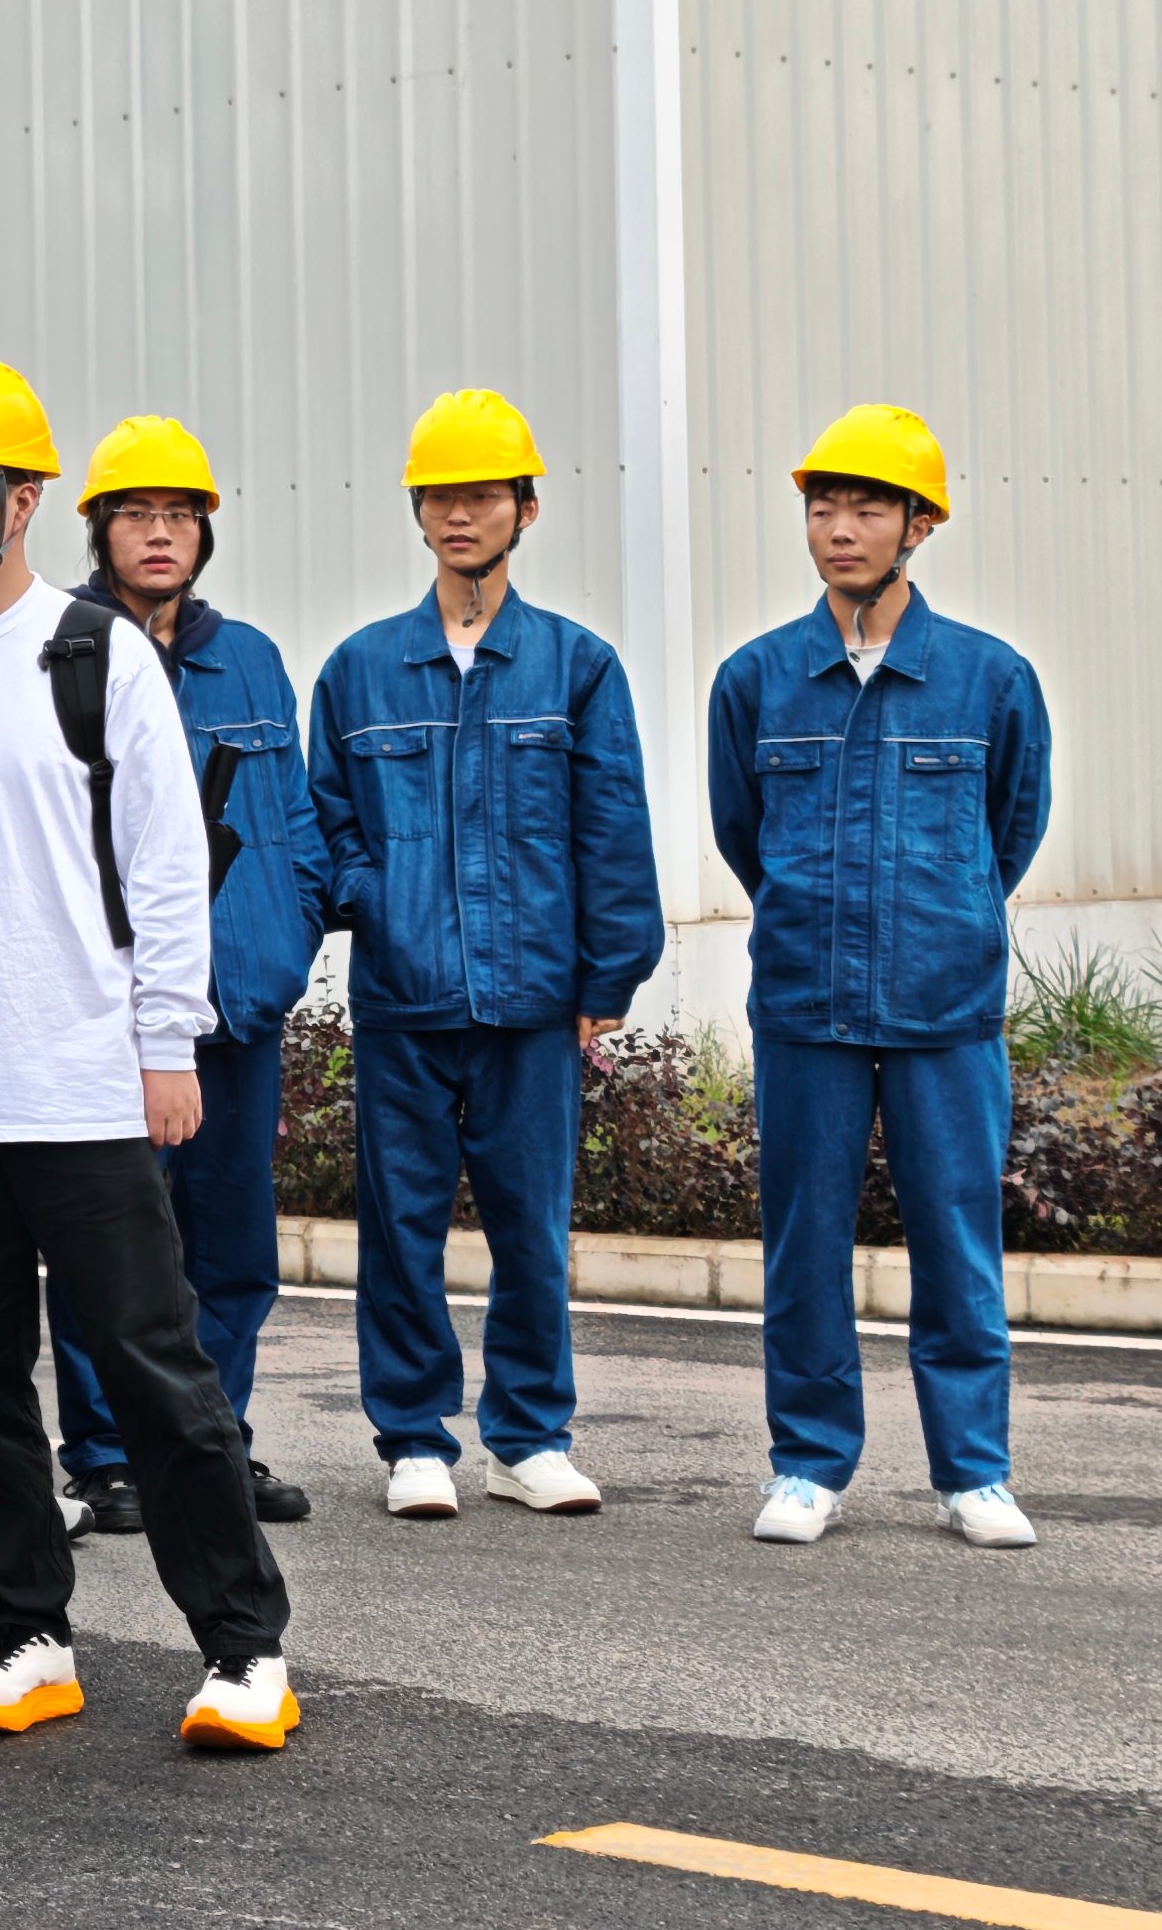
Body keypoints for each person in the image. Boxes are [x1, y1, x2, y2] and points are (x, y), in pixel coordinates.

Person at [0, 355, 295, 1753]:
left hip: (77, 1081)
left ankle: (243, 1650)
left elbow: (166, 863)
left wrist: (166, 1040)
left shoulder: (98, 656)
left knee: (156, 1376)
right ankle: (24, 1637)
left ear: (21, 501)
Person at [308, 389, 665, 1520]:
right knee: (400, 1231)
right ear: (417, 512)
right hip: (404, 997)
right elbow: (326, 826)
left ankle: (528, 1436)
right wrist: (382, 903)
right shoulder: (360, 669)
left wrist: (608, 975)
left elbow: (612, 827)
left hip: (534, 999)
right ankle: (415, 1440)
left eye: (481, 495)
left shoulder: (576, 666)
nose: (459, 515)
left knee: (531, 1228)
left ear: (526, 509)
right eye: (439, 497)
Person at [709, 406, 1052, 1550]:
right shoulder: (756, 680)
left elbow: (1010, 831)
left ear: (919, 525)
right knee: (802, 1243)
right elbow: (743, 835)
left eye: (866, 508)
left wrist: (942, 917)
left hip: (943, 1005)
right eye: (823, 508)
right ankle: (808, 1466)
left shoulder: (989, 679)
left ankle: (974, 1473)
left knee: (957, 1241)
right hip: (804, 1001)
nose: (840, 529)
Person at [41, 418, 330, 1531]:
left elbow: (294, 822)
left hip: (236, 1008)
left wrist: (286, 936)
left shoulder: (248, 657)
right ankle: (110, 1454)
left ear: (204, 534)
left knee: (232, 1252)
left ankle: (213, 1444)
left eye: (179, 516)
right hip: (106, 1018)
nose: (158, 534)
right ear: (98, 530)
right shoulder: (59, 649)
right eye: (135, 515)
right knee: (110, 1246)